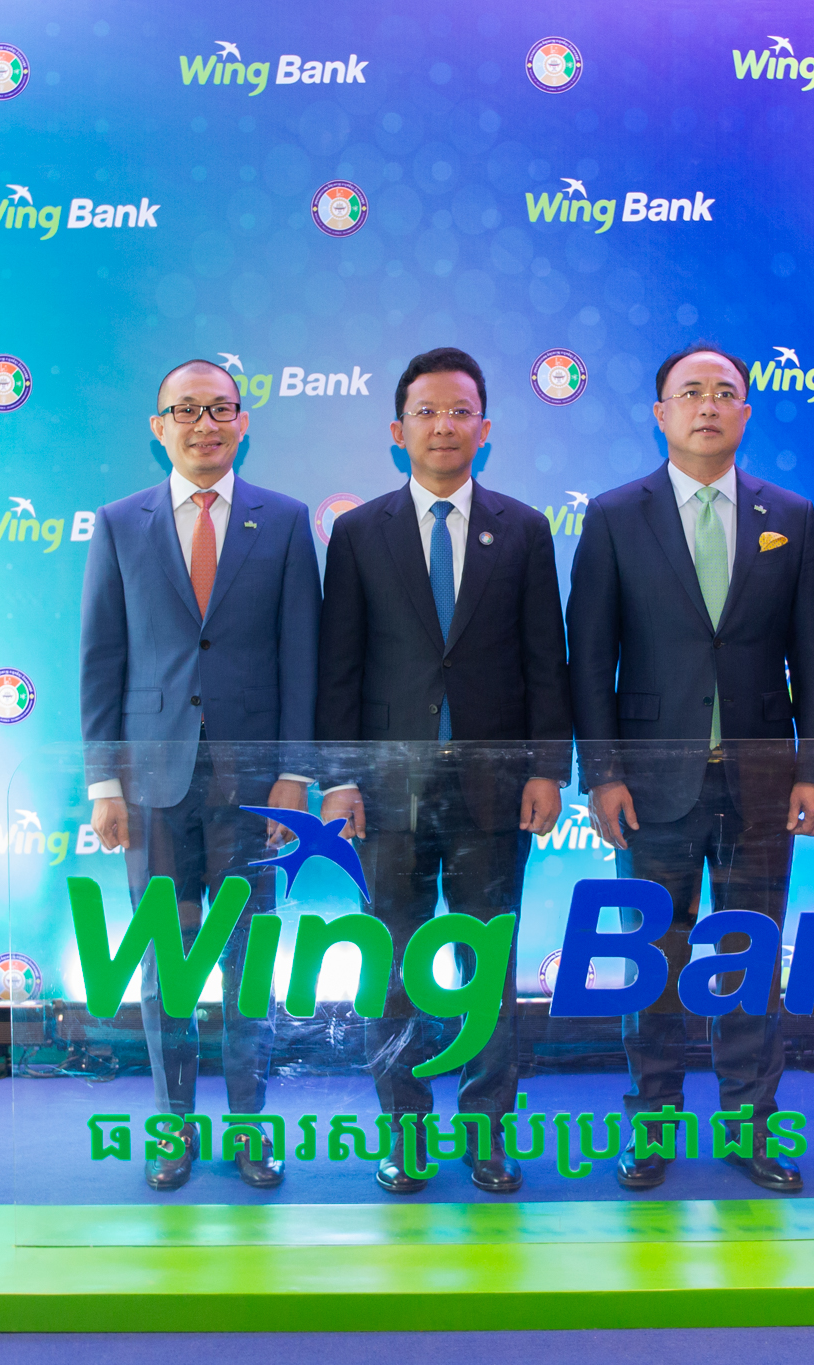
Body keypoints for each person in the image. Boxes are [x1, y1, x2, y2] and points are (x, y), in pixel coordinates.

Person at [567, 342, 814, 1193]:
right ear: (661, 413)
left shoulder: (791, 516)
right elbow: (590, 661)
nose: (709, 405)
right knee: (652, 959)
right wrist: (601, 774)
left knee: (749, 959)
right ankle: (650, 1125)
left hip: (761, 779)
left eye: (726, 392)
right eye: (691, 392)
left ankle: (750, 1126)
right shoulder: (616, 515)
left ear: (746, 412)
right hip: (651, 782)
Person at [317, 346, 572, 1196]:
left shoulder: (524, 529)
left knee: (485, 967)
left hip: (494, 791)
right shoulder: (358, 534)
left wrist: (548, 768)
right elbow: (339, 671)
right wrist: (339, 779)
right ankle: (405, 1131)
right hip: (386, 795)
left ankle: (487, 1131)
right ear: (398, 431)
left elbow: (546, 662)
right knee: (393, 965)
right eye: (426, 411)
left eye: (460, 410)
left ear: (485, 428)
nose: (443, 425)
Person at [79, 358, 321, 1192]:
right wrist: (104, 784)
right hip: (153, 783)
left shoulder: (285, 521)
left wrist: (295, 773)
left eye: (220, 409)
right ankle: (172, 1126)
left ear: (243, 422)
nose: (205, 424)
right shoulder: (120, 523)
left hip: (251, 787)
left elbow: (302, 658)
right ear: (160, 428)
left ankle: (251, 1125)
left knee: (248, 963)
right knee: (165, 965)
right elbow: (101, 657)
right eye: (186, 410)